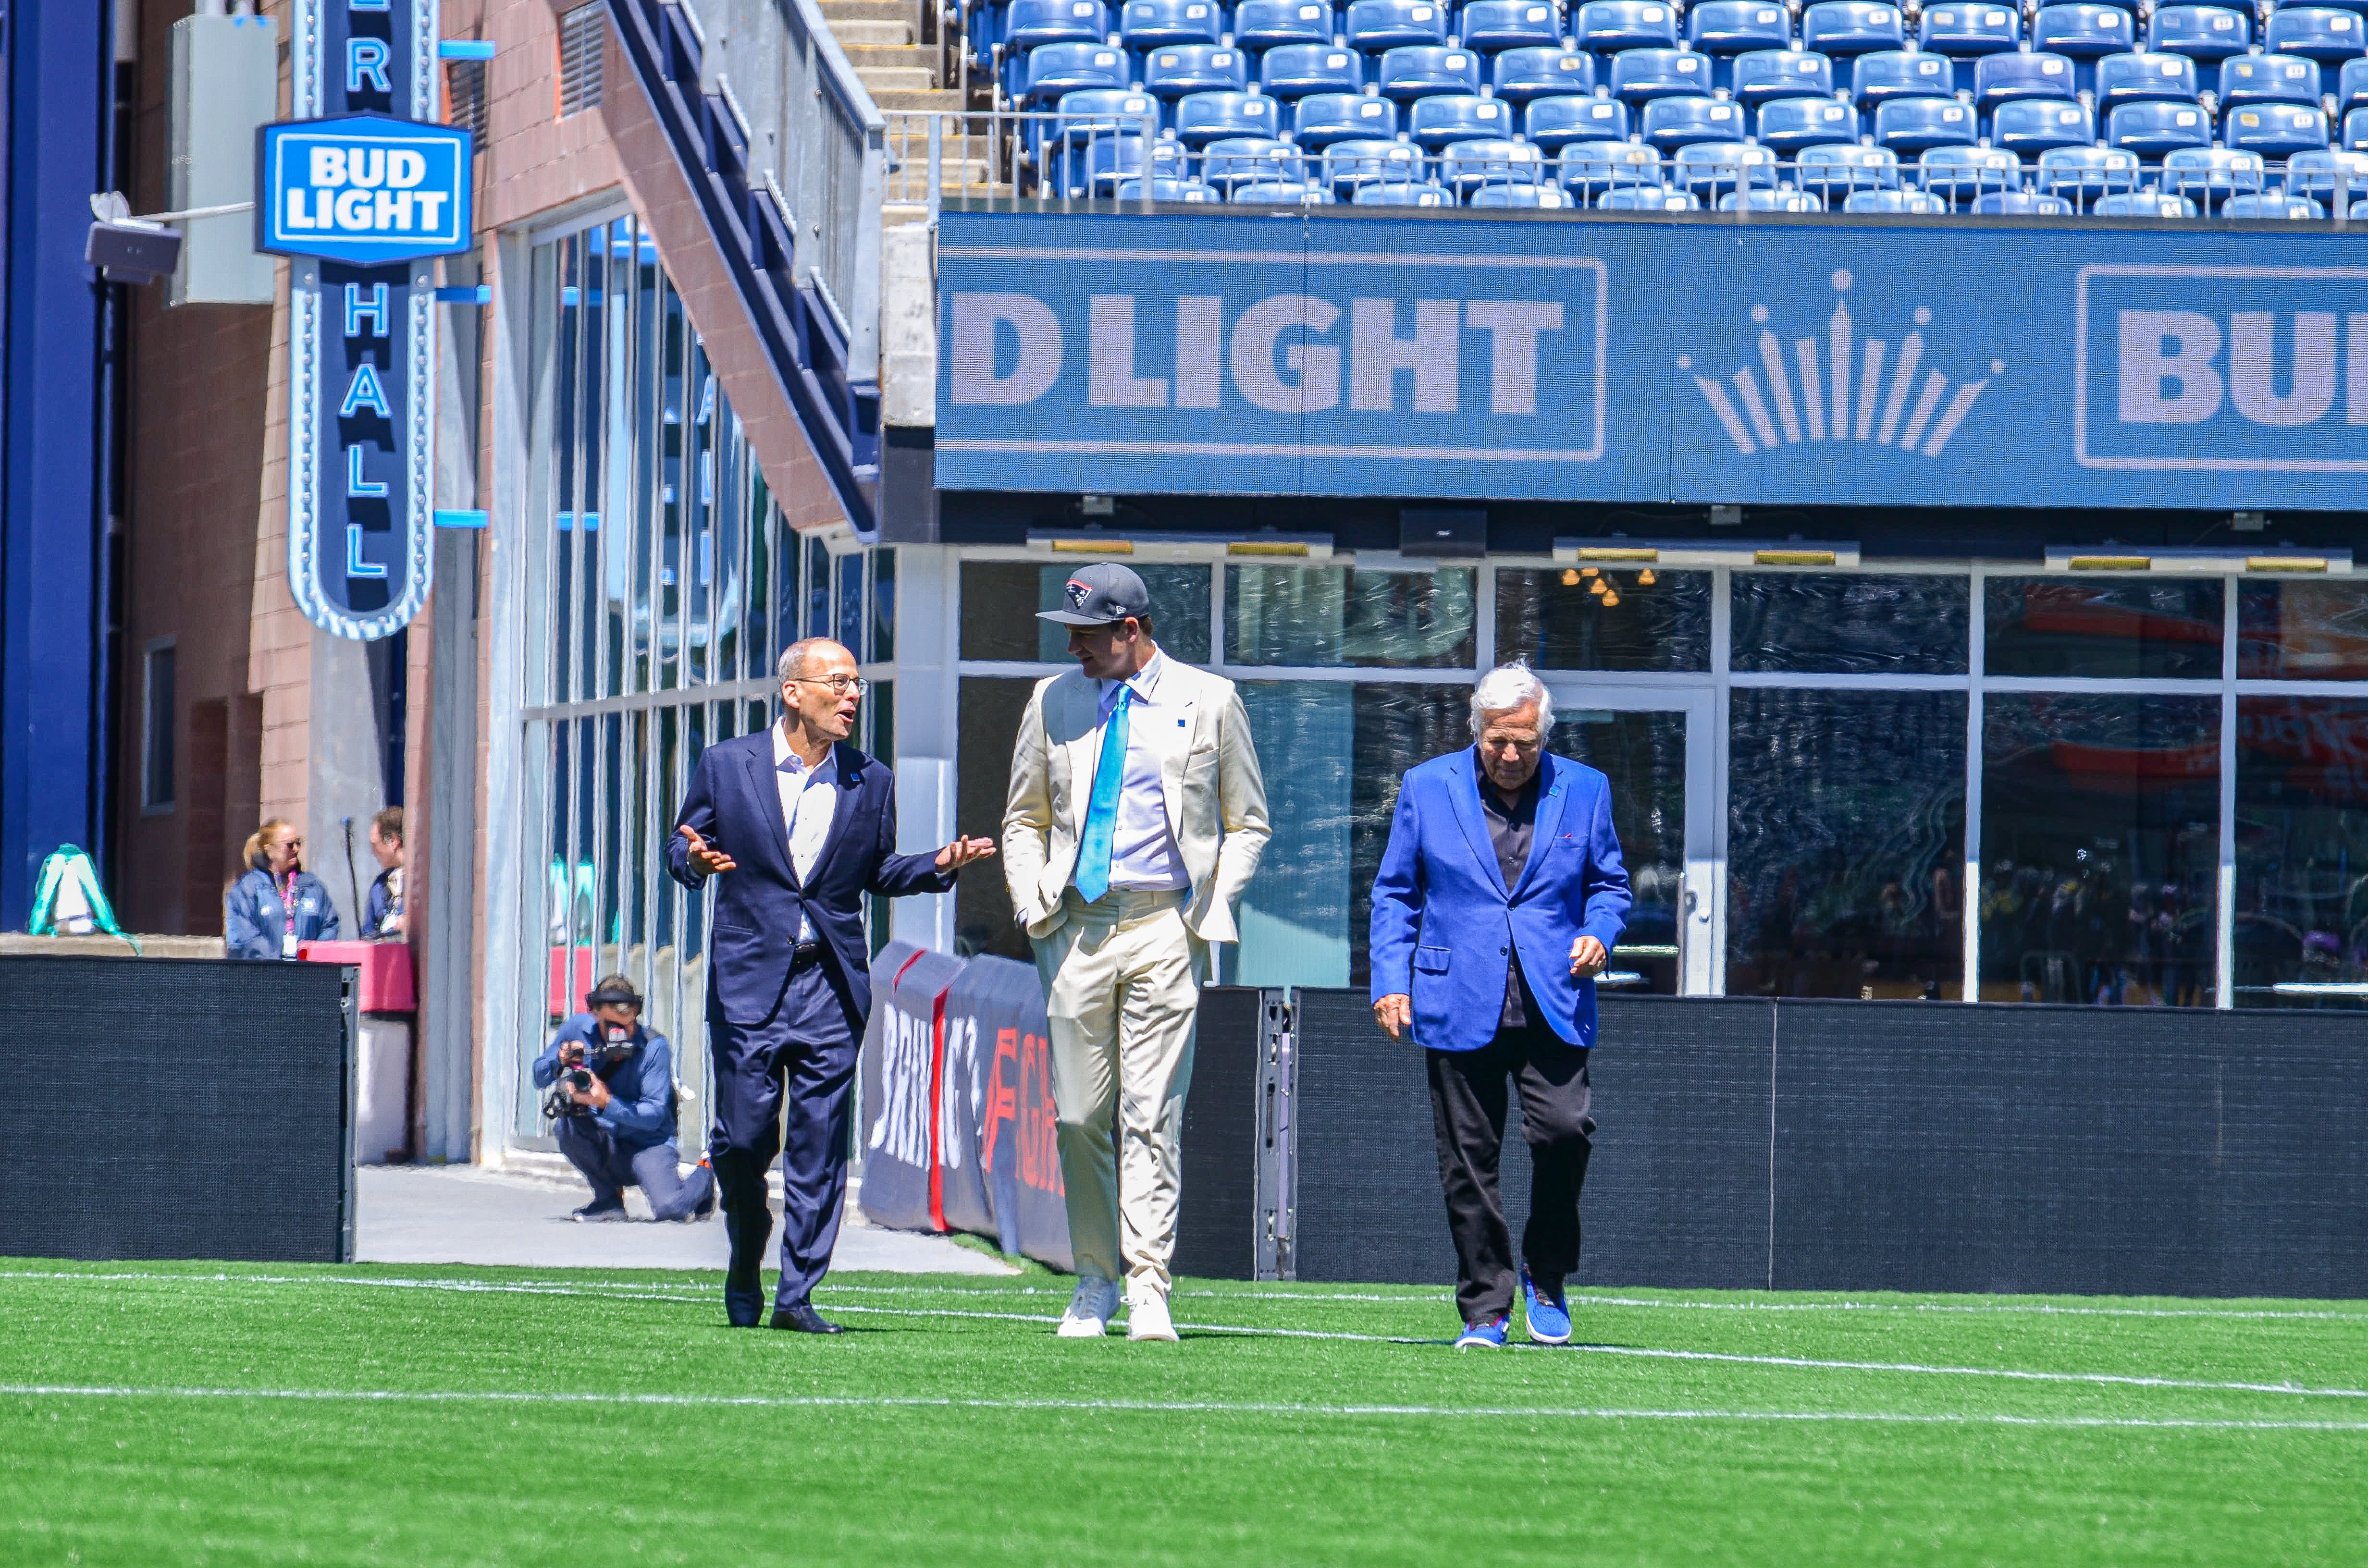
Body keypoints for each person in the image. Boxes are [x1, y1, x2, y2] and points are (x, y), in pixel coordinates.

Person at [667, 636, 997, 1333]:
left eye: (857, 686)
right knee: (742, 1141)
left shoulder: (868, 779)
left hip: (831, 987)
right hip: (751, 980)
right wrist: (695, 857)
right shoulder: (728, 765)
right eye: (838, 683)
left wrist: (938, 863)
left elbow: (877, 872)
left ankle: (796, 1296)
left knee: (820, 1144)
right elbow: (681, 844)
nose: (852, 697)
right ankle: (744, 1249)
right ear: (794, 691)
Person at [1002, 562, 1270, 1343]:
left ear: (1130, 629)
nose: (1075, 648)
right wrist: (1029, 902)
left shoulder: (1208, 699)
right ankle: (1095, 1277)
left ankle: (1147, 1281)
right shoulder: (1053, 700)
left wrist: (1213, 908)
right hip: (1075, 925)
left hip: (1164, 924)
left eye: (1087, 634)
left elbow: (1246, 820)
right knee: (1079, 1112)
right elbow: (1024, 816)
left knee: (1150, 1111)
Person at [1369, 661, 1631, 1350]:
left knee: (1565, 1134)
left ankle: (1547, 1276)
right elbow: (1395, 892)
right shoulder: (1427, 787)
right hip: (1455, 996)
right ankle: (1486, 1307)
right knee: (1467, 1160)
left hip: (1555, 998)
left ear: (1545, 735)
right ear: (1476, 730)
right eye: (1497, 742)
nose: (1511, 755)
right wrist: (1390, 980)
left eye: (1525, 742)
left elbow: (1611, 885)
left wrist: (1599, 933)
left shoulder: (1586, 789)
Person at [531, 975, 715, 1223]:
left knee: (671, 1209)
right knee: (566, 1123)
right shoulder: (578, 1029)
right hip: (605, 1140)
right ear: (595, 1015)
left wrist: (607, 1103)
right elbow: (539, 1077)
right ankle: (608, 1201)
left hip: (648, 1144)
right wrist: (560, 1060)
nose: (620, 1034)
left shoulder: (654, 1046)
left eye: (627, 1026)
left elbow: (655, 1116)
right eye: (611, 1026)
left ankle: (705, 1174)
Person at [224, 819, 342, 960]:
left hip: (308, 975)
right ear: (270, 851)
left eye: (298, 843)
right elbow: (245, 937)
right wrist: (278, 967)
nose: (296, 849)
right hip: (263, 975)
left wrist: (312, 960)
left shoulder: (312, 886)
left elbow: (329, 926)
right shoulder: (247, 889)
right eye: (290, 845)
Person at [363, 806, 406, 941]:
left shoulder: (422, 880)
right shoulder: (379, 885)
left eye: (375, 845)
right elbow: (367, 932)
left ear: (393, 841)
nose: (373, 852)